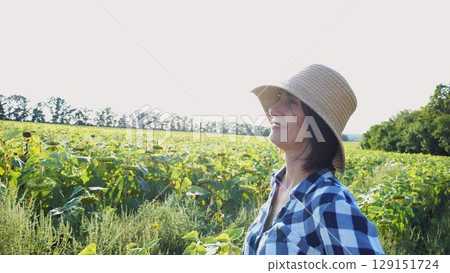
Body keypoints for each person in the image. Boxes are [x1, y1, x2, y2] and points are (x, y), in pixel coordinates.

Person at [242, 64, 384, 255]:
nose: (273, 108)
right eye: (278, 98)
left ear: (315, 124)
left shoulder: (330, 202)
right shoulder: (279, 185)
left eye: (292, 102)